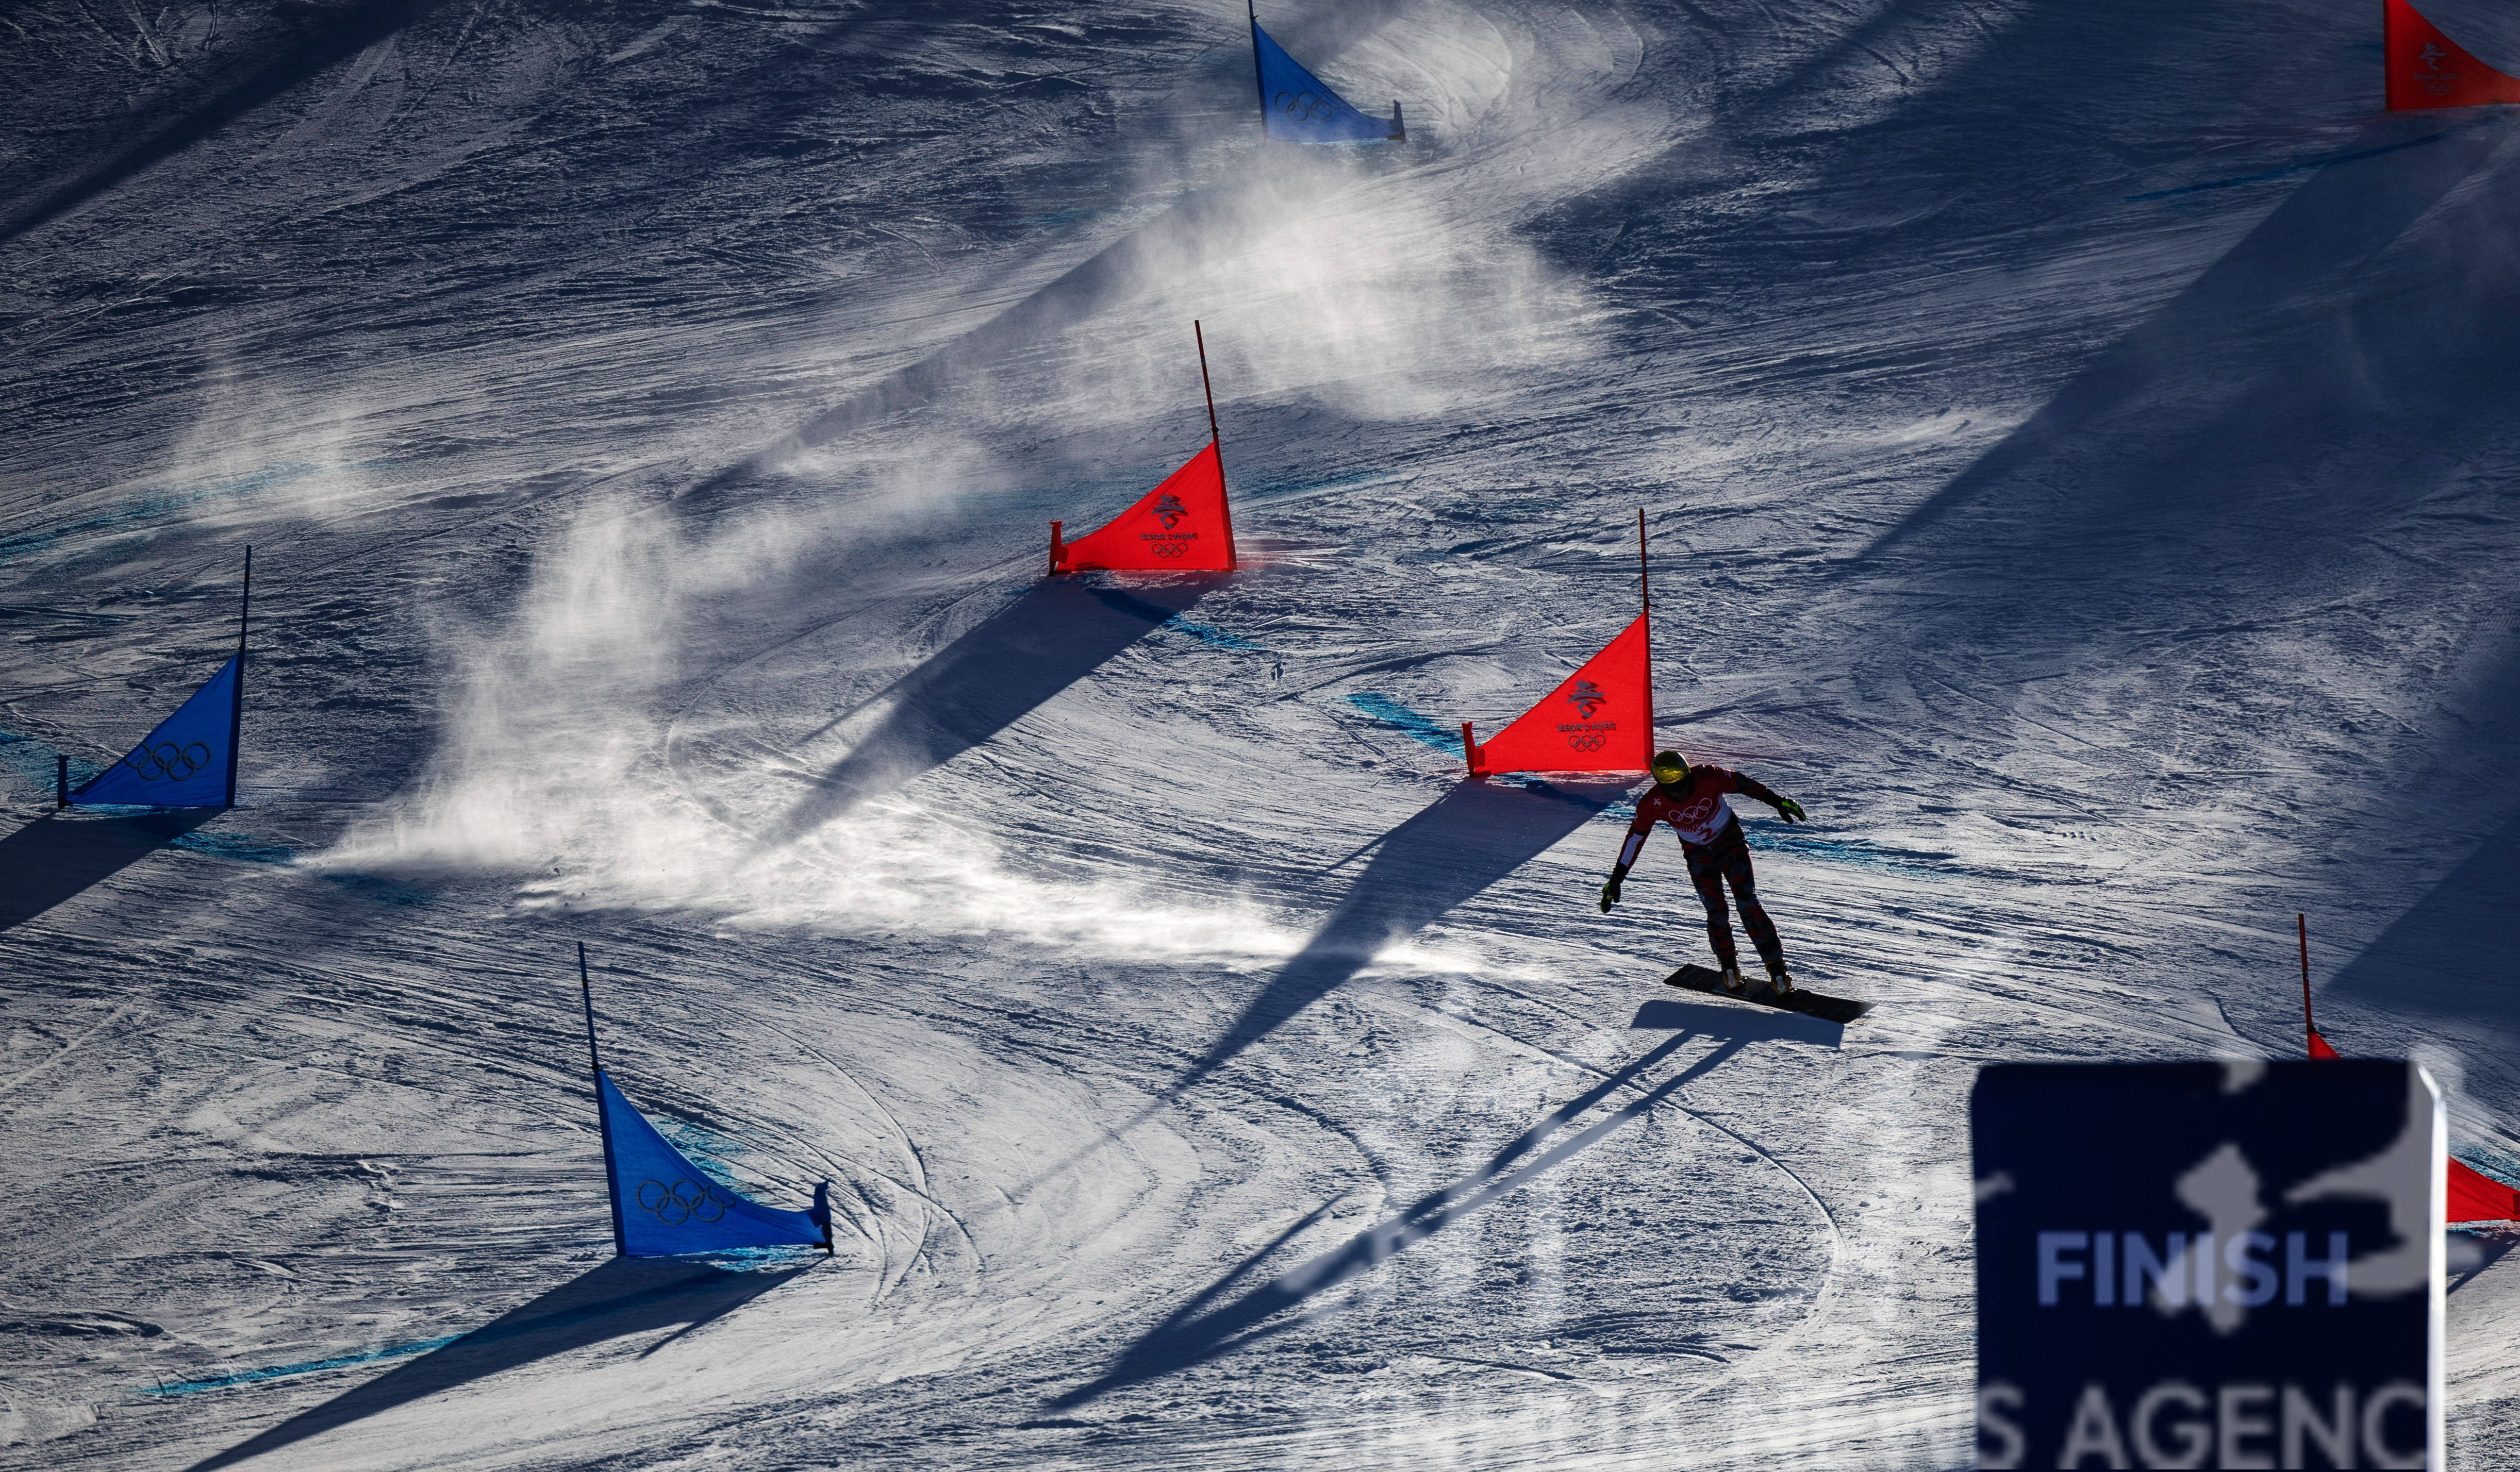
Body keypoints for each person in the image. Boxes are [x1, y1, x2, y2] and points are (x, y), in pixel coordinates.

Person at [1598, 749, 1807, 993]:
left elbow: (1743, 784)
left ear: (1690, 776)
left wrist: (1776, 801)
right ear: (1662, 788)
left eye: (1686, 784)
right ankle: (1729, 966)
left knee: (1747, 901)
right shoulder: (1651, 803)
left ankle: (1777, 967)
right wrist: (1617, 878)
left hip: (1730, 842)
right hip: (1698, 854)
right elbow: (1636, 837)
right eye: (1675, 789)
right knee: (1716, 910)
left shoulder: (1709, 776)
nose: (1683, 792)